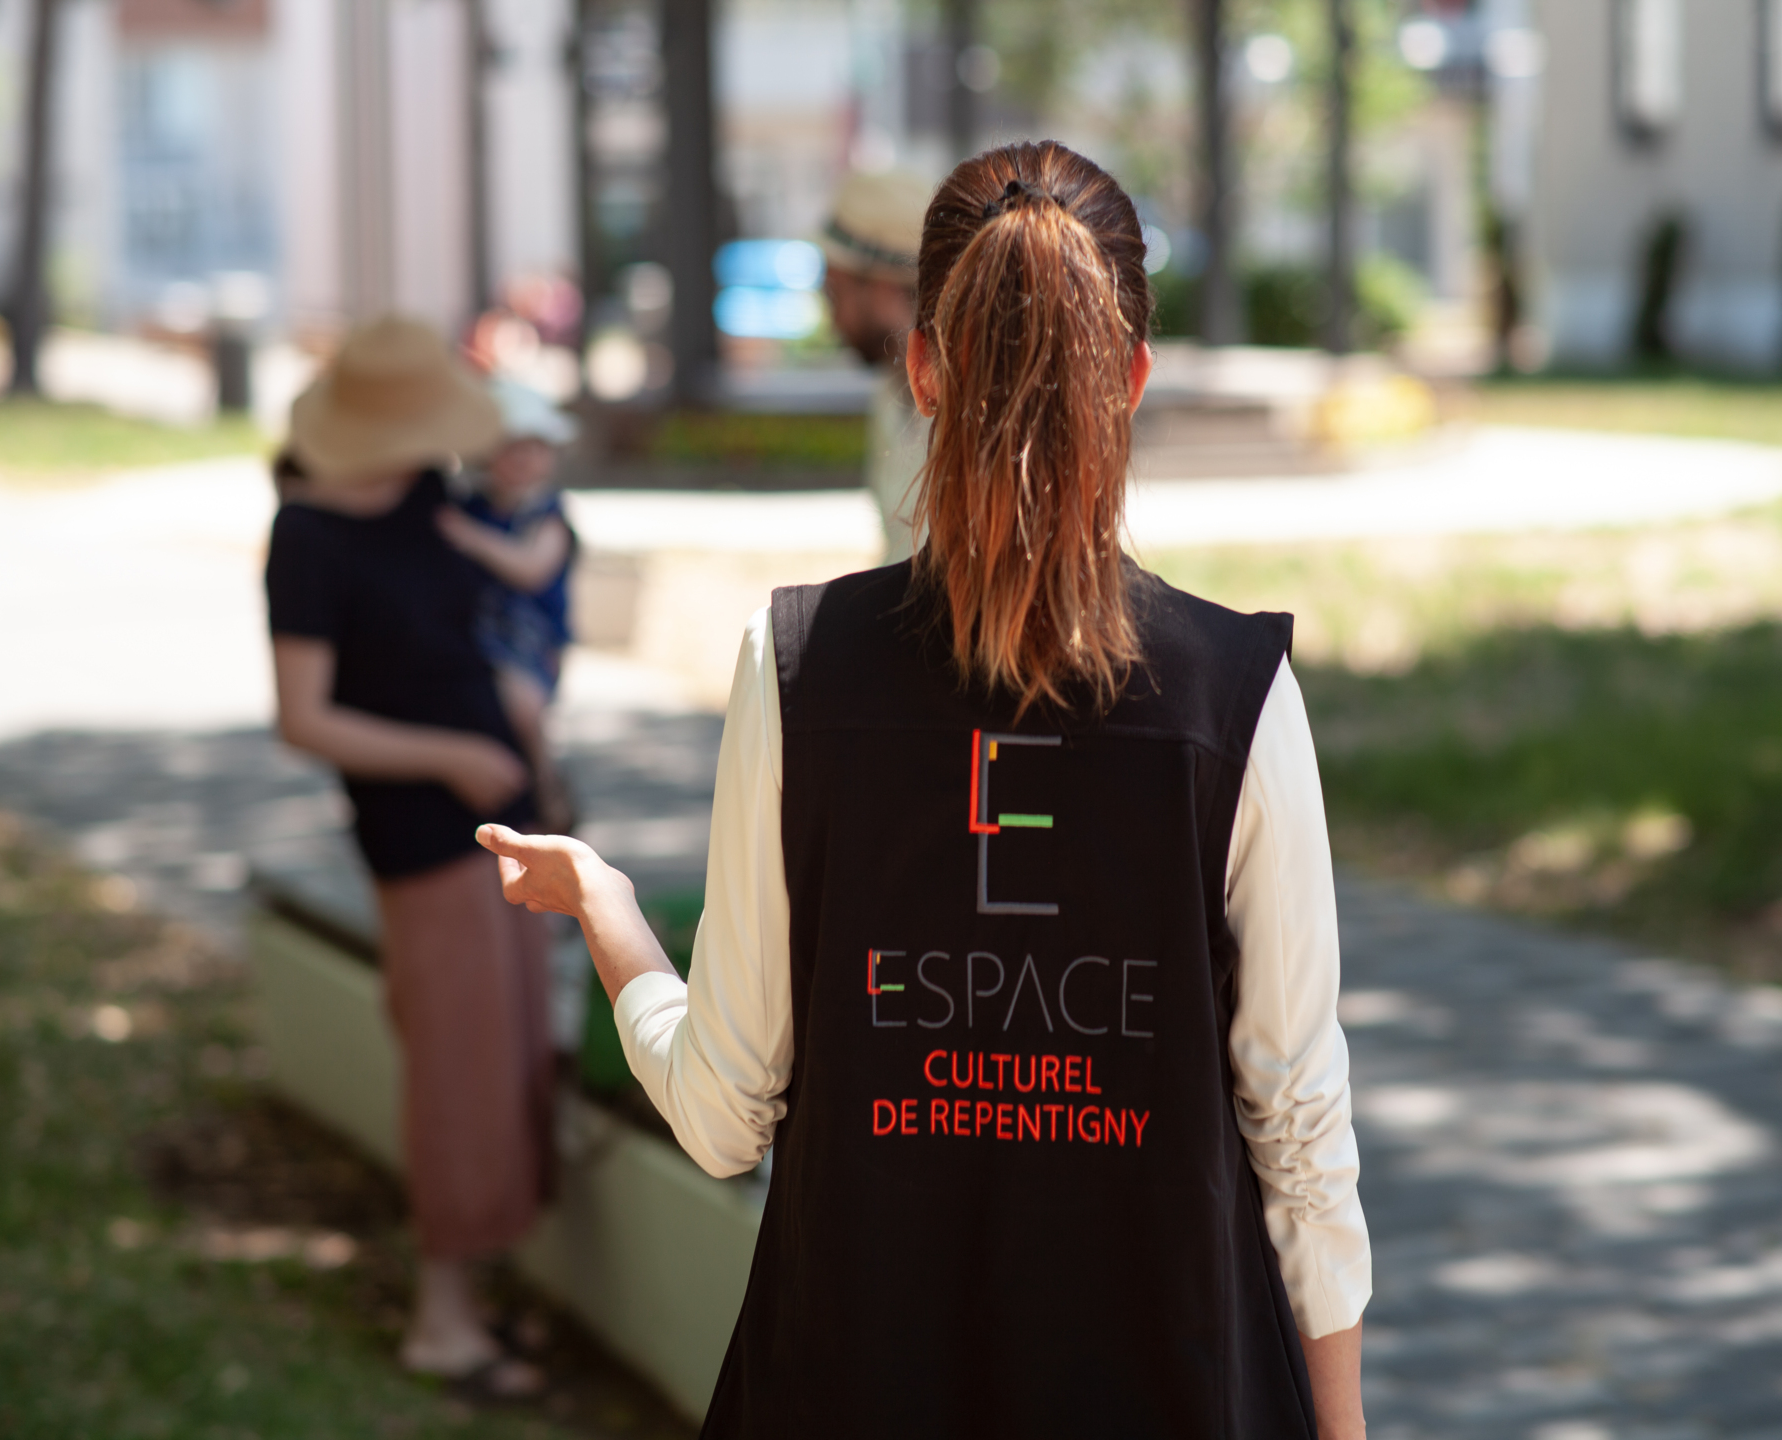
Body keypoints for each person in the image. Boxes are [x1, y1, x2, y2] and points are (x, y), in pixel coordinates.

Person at [480, 142, 1369, 1437]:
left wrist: (612, 917)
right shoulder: (1233, 698)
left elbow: (728, 1118)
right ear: (1130, 379)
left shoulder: (793, 671)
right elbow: (1302, 1138)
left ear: (920, 365)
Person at [264, 316, 551, 1398]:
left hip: (503, 817)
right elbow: (305, 717)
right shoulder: (309, 537)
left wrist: (524, 743)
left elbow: (480, 626)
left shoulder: (432, 497)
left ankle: (482, 1298)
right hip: (423, 838)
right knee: (457, 1069)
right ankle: (442, 1320)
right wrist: (451, 758)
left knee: (512, 1053)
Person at [436, 378, 579, 833]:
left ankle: (545, 783)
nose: (521, 459)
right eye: (509, 448)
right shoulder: (472, 505)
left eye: (533, 448)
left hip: (528, 638)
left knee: (523, 706)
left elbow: (532, 569)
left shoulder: (546, 515)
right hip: (476, 628)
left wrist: (472, 540)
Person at [818, 167, 933, 565]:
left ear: (883, 286)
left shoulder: (980, 409)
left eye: (833, 293)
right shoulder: (891, 391)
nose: (831, 318)